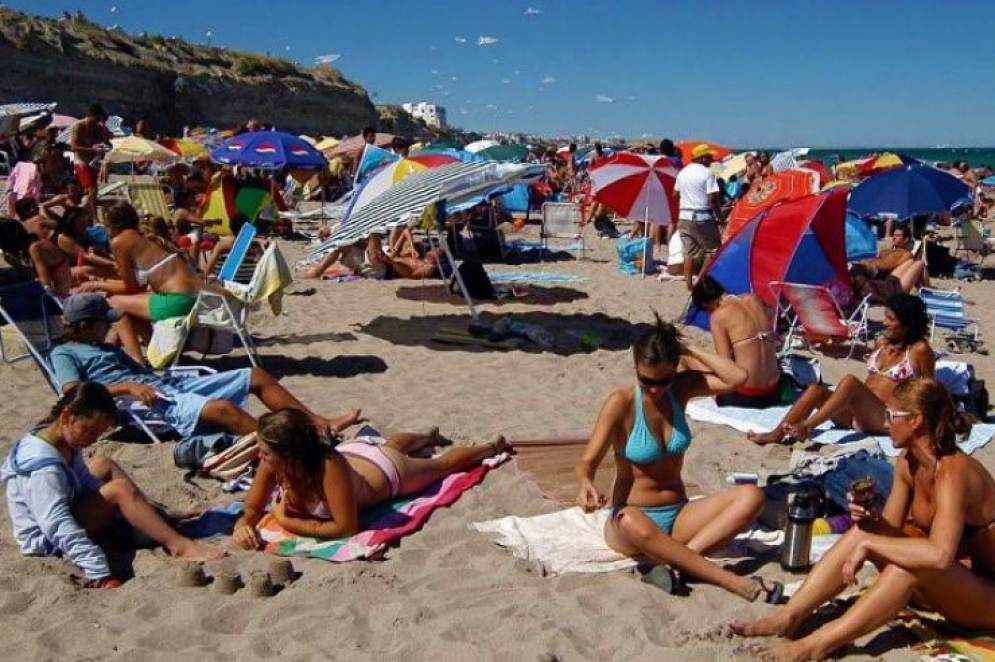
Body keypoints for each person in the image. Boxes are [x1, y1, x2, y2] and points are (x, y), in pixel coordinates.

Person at [731, 378, 995, 661]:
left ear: (916, 421)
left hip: (986, 594)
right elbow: (888, 529)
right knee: (862, 531)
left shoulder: (953, 473)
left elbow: (940, 555)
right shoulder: (909, 462)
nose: (884, 423)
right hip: (954, 581)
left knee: (905, 568)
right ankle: (788, 617)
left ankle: (815, 646)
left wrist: (871, 545)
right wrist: (869, 518)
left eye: (891, 416)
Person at [574, 317, 781, 601]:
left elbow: (737, 377)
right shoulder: (621, 404)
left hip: (679, 514)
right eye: (646, 381)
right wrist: (585, 482)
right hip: (632, 520)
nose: (656, 389)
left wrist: (690, 350)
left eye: (664, 380)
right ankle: (731, 581)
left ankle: (678, 566)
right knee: (630, 519)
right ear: (636, 368)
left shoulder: (681, 390)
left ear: (674, 369)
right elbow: (588, 461)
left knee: (752, 496)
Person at [1, 382, 222, 588]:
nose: (92, 440)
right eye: (89, 431)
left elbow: (84, 481)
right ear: (67, 416)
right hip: (46, 541)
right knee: (120, 491)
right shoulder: (43, 467)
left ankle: (154, 518)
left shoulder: (62, 438)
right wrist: (99, 572)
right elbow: (56, 524)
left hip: (66, 504)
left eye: (97, 434)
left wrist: (115, 505)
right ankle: (179, 547)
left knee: (103, 464)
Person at [49, 293, 354, 442]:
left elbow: (137, 361)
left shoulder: (100, 345)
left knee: (256, 375)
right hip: (137, 402)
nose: (109, 326)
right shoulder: (64, 353)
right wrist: (126, 387)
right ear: (86, 325)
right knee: (223, 410)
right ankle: (292, 450)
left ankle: (317, 423)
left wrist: (133, 362)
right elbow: (71, 392)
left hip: (161, 383)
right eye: (104, 321)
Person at [231, 409, 509, 548]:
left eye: (265, 452)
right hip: (354, 454)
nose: (260, 456)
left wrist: (287, 520)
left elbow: (345, 527)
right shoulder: (275, 464)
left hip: (387, 472)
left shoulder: (328, 467)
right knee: (390, 443)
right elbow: (252, 510)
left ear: (289, 453)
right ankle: (426, 436)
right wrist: (242, 526)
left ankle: (489, 447)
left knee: (442, 465)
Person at [748, 293, 934, 445]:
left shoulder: (919, 351)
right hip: (856, 414)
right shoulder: (881, 343)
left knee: (850, 382)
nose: (884, 323)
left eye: (891, 319)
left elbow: (930, 393)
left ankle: (808, 426)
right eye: (886, 316)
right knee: (815, 390)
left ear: (907, 325)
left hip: (885, 419)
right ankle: (776, 434)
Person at [75, 202, 202, 362]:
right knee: (129, 305)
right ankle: (155, 351)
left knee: (114, 303)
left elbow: (129, 287)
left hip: (178, 301)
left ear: (110, 224)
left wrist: (94, 284)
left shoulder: (119, 241)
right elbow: (136, 286)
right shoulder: (144, 235)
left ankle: (137, 361)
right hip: (195, 297)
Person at [691, 276, 786, 408]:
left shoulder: (718, 316)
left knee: (687, 358)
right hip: (774, 390)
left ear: (706, 304)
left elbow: (725, 365)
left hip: (746, 395)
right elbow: (770, 315)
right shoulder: (754, 299)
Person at [674, 144, 723, 290]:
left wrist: (687, 202)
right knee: (713, 250)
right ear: (702, 158)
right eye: (709, 157)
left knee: (688, 252)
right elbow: (713, 198)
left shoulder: (682, 173)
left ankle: (689, 283)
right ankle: (700, 281)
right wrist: (720, 217)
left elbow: (675, 194)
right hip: (702, 217)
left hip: (684, 216)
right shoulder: (707, 173)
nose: (712, 160)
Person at [850, 226, 928, 299]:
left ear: (906, 239)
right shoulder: (888, 250)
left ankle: (927, 289)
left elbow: (885, 265)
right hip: (877, 279)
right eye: (893, 235)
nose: (893, 238)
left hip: (884, 281)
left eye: (897, 236)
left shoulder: (906, 255)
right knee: (919, 264)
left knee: (918, 263)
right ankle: (928, 289)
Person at [69, 104, 113, 223]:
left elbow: (111, 139)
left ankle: (82, 213)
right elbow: (73, 146)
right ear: (91, 117)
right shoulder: (79, 126)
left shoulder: (97, 127)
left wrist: (104, 127)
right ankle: (95, 218)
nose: (99, 121)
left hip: (93, 162)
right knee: (92, 191)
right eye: (98, 119)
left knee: (93, 192)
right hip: (81, 161)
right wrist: (92, 149)